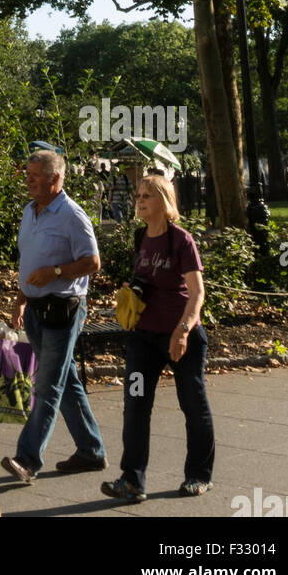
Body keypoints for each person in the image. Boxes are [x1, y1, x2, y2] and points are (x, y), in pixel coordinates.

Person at [102, 171, 215, 503]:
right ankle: (132, 480)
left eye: (146, 196)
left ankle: (198, 475)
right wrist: (129, 292)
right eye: (138, 195)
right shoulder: (140, 238)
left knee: (192, 405)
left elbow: (197, 294)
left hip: (181, 339)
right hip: (143, 342)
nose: (139, 200)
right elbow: (145, 279)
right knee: (135, 405)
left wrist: (183, 331)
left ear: (163, 202)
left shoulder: (181, 240)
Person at [0, 149, 106, 484]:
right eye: (27, 173)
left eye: (35, 175)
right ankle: (91, 451)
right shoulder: (29, 211)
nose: (28, 180)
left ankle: (28, 459)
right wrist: (20, 300)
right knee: (66, 382)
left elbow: (92, 262)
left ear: (55, 179)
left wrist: (56, 272)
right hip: (34, 310)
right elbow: (28, 262)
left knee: (47, 385)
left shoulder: (73, 216)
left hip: (63, 311)